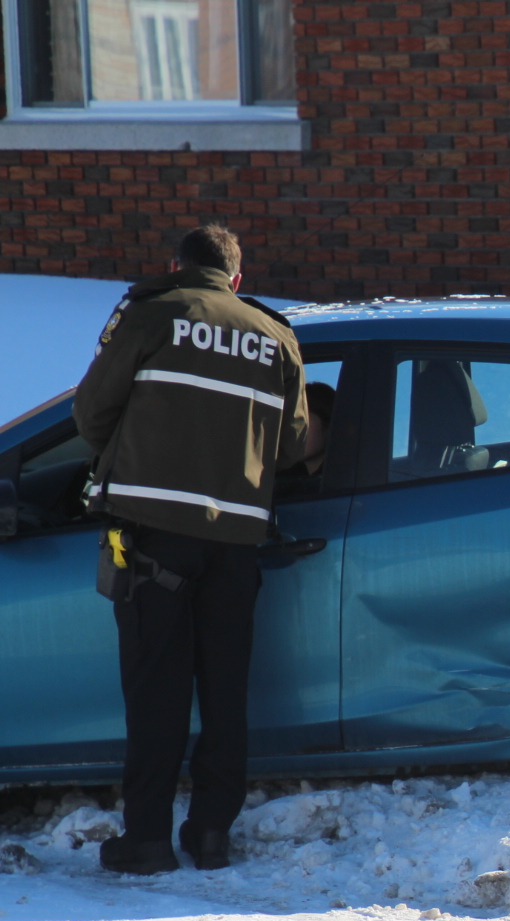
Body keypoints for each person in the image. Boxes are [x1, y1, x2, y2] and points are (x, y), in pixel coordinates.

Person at [74, 224, 311, 875]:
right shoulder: (276, 335)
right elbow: (293, 449)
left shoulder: (154, 315)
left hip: (155, 541)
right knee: (226, 690)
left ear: (177, 266)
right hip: (237, 546)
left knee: (158, 691)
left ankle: (147, 840)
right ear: (237, 278)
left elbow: (91, 414)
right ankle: (211, 833)